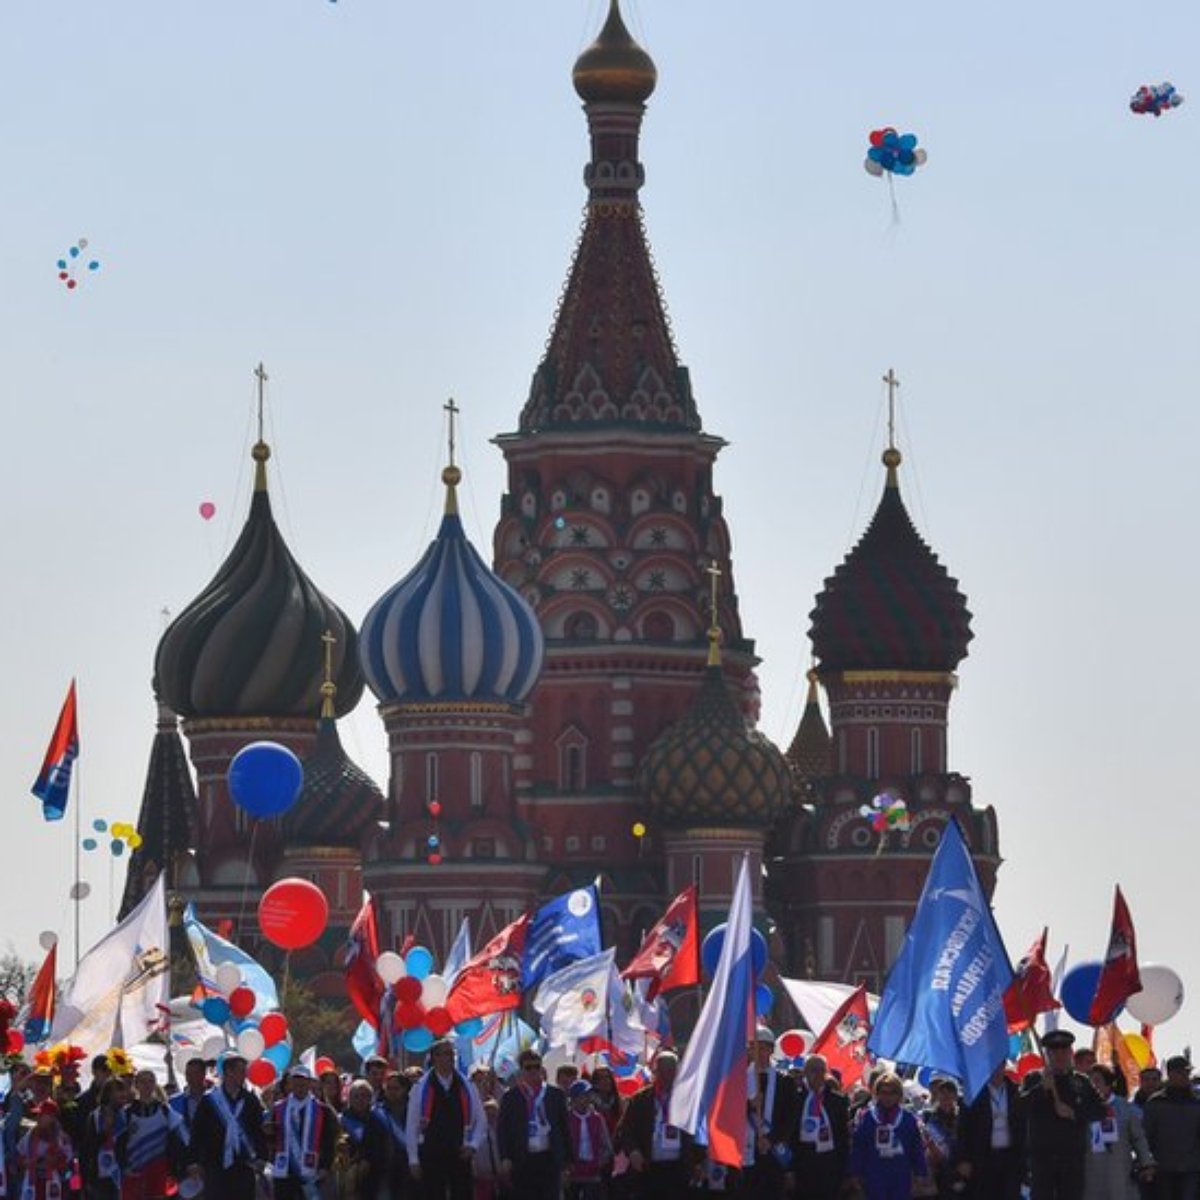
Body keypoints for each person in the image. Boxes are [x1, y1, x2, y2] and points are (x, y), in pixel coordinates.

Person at [1022, 1029, 1105, 1200]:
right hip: (1042, 1161)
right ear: (1047, 1054)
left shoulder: (1082, 1081)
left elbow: (1100, 1111)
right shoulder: (1034, 1079)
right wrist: (1041, 1089)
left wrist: (1074, 1113)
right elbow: (1019, 1108)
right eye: (1054, 1051)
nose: (1059, 1055)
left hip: (1072, 1160)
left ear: (1070, 1053)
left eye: (1064, 1050)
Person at [406, 1041, 485, 1200]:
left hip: (460, 1151)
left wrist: (473, 1145)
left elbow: (481, 1120)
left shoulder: (467, 1086)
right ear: (434, 1057)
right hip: (431, 1152)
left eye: (451, 1054)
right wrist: (413, 1159)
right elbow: (412, 1126)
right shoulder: (420, 1088)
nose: (449, 1058)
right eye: (445, 1053)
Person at [186, 1052, 267, 1200]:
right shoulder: (209, 1100)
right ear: (228, 1072)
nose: (244, 1075)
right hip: (215, 1165)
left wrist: (262, 1157)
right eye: (241, 1071)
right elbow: (197, 1132)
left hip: (244, 1164)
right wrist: (193, 1160)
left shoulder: (250, 1100)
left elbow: (258, 1131)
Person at [614, 1050, 694, 1199]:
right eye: (662, 1072)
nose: (666, 1076)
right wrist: (633, 1151)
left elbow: (699, 1131)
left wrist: (698, 1160)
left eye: (671, 1071)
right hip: (649, 1167)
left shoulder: (688, 1100)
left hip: (679, 1169)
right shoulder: (640, 1099)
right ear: (654, 1072)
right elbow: (625, 1130)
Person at [497, 1048, 571, 1200]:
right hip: (522, 1160)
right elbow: (502, 1130)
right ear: (521, 1070)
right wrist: (505, 1157)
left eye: (536, 1066)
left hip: (549, 1159)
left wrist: (567, 1161)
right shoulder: (511, 1097)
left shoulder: (555, 1095)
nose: (533, 1071)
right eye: (528, 1067)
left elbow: (565, 1129)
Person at [741, 1027, 799, 1199]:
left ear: (772, 1050)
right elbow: (731, 1111)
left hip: (773, 1148)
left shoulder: (785, 1081)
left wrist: (772, 1139)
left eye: (764, 1048)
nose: (759, 1052)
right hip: (747, 1148)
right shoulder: (740, 1080)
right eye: (755, 1047)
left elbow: (790, 1117)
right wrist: (749, 1105)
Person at [849, 1072, 928, 1200]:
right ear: (877, 1094)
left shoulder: (908, 1119)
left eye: (892, 1093)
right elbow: (859, 1147)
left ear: (899, 1095)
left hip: (900, 1176)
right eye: (884, 1093)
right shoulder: (868, 1117)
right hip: (874, 1175)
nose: (888, 1097)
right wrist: (854, 1172)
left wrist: (920, 1172)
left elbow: (916, 1148)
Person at [1083, 1065, 1153, 1200]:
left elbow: (1138, 1139)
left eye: (1097, 1081)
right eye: (1089, 1081)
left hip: (1120, 1171)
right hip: (1091, 1173)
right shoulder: (1083, 1109)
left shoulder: (1125, 1109)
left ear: (1108, 1084)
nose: (1093, 1085)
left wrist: (1146, 1163)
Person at [956, 1063, 1025, 1200]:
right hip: (983, 1159)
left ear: (1004, 1065)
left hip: (1011, 1158)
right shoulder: (973, 1095)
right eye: (992, 1066)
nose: (996, 1071)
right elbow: (963, 1129)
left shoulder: (1017, 1092)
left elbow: (1024, 1126)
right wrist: (963, 1158)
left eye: (999, 1065)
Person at [269, 1066, 339, 1200]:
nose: (300, 1086)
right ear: (290, 1084)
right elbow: (272, 1138)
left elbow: (328, 1140)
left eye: (303, 1082)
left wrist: (325, 1166)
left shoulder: (322, 1110)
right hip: (285, 1172)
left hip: (313, 1171)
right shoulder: (278, 1108)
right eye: (296, 1082)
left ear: (310, 1083)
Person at [119, 1068, 185, 1200]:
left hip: (158, 1170)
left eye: (150, 1081)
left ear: (155, 1085)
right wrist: (123, 1166)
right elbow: (118, 1143)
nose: (147, 1085)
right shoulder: (126, 1113)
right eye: (143, 1082)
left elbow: (178, 1140)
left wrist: (174, 1168)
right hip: (134, 1170)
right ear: (136, 1085)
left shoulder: (166, 1111)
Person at [790, 1054, 850, 1200]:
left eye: (821, 1070)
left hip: (830, 1168)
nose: (817, 1074)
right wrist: (789, 1169)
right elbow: (789, 1136)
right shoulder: (794, 1098)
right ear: (804, 1072)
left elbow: (843, 1138)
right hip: (802, 1167)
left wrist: (845, 1171)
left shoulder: (838, 1101)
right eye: (813, 1070)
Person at [1141, 1056, 1200, 1200]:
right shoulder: (1156, 1103)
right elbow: (1146, 1136)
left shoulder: (1196, 1102)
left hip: (1191, 1168)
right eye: (1181, 1073)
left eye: (1187, 1072)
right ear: (1171, 1074)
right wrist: (1147, 1164)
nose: (1186, 1076)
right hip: (1163, 1169)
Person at [79, 1076, 129, 1200]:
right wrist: (104, 1132)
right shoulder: (95, 1116)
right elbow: (87, 1148)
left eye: (123, 1089)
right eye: (118, 1090)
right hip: (99, 1178)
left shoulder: (128, 1114)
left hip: (122, 1175)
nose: (122, 1093)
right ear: (108, 1094)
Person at [17, 1100, 76, 1200]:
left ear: (52, 1117)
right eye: (38, 1114)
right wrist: (25, 1162)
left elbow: (69, 1163)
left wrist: (55, 1161)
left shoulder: (62, 1138)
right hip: (33, 1183)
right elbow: (20, 1154)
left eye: (42, 1114)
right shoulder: (31, 1134)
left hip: (53, 1183)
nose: (38, 1117)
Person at [565, 1080, 611, 1200]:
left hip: (593, 1174)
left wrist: (599, 1162)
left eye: (588, 1095)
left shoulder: (597, 1118)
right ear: (574, 1099)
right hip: (572, 1175)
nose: (586, 1099)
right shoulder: (566, 1119)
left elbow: (606, 1146)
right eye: (582, 1096)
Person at [338, 1079, 383, 1199]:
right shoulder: (341, 1120)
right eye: (356, 1096)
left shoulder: (379, 1119)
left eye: (364, 1096)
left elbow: (381, 1145)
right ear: (349, 1098)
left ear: (370, 1098)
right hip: (348, 1173)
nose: (359, 1100)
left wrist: (366, 1161)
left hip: (374, 1173)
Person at [372, 1070, 413, 1200]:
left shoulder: (413, 1111)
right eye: (388, 1088)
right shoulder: (378, 1113)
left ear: (405, 1089)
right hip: (385, 1170)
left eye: (396, 1088)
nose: (392, 1092)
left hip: (410, 1169)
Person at [919, 1079, 960, 1198]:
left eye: (950, 1092)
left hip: (958, 1168)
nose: (946, 1096)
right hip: (937, 1168)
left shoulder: (962, 1117)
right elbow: (923, 1139)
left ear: (955, 1096)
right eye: (942, 1093)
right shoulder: (928, 1117)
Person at [167, 1058, 209, 1149]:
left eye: (195, 1073)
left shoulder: (216, 1100)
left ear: (204, 1074)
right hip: (184, 1152)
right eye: (188, 1074)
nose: (190, 1077)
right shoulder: (173, 1102)